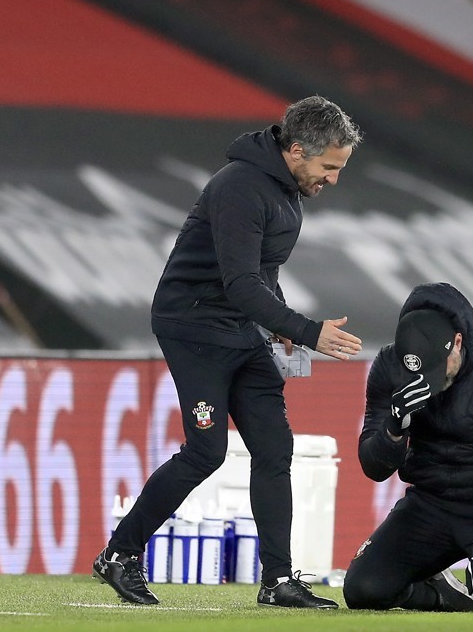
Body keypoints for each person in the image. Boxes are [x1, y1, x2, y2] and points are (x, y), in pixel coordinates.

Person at [92, 95, 364, 609]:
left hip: (241, 329)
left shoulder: (287, 189)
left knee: (273, 449)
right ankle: (119, 554)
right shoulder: (240, 187)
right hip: (192, 327)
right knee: (206, 452)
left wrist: (279, 320)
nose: (333, 179)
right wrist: (306, 330)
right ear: (298, 150)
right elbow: (240, 282)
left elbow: (263, 272)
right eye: (329, 167)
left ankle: (279, 581)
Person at [342, 282, 473, 613]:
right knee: (363, 590)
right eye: (422, 372)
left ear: (457, 342)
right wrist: (395, 429)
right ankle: (441, 592)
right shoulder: (389, 366)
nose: (432, 382)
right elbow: (374, 468)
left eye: (437, 370)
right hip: (432, 500)